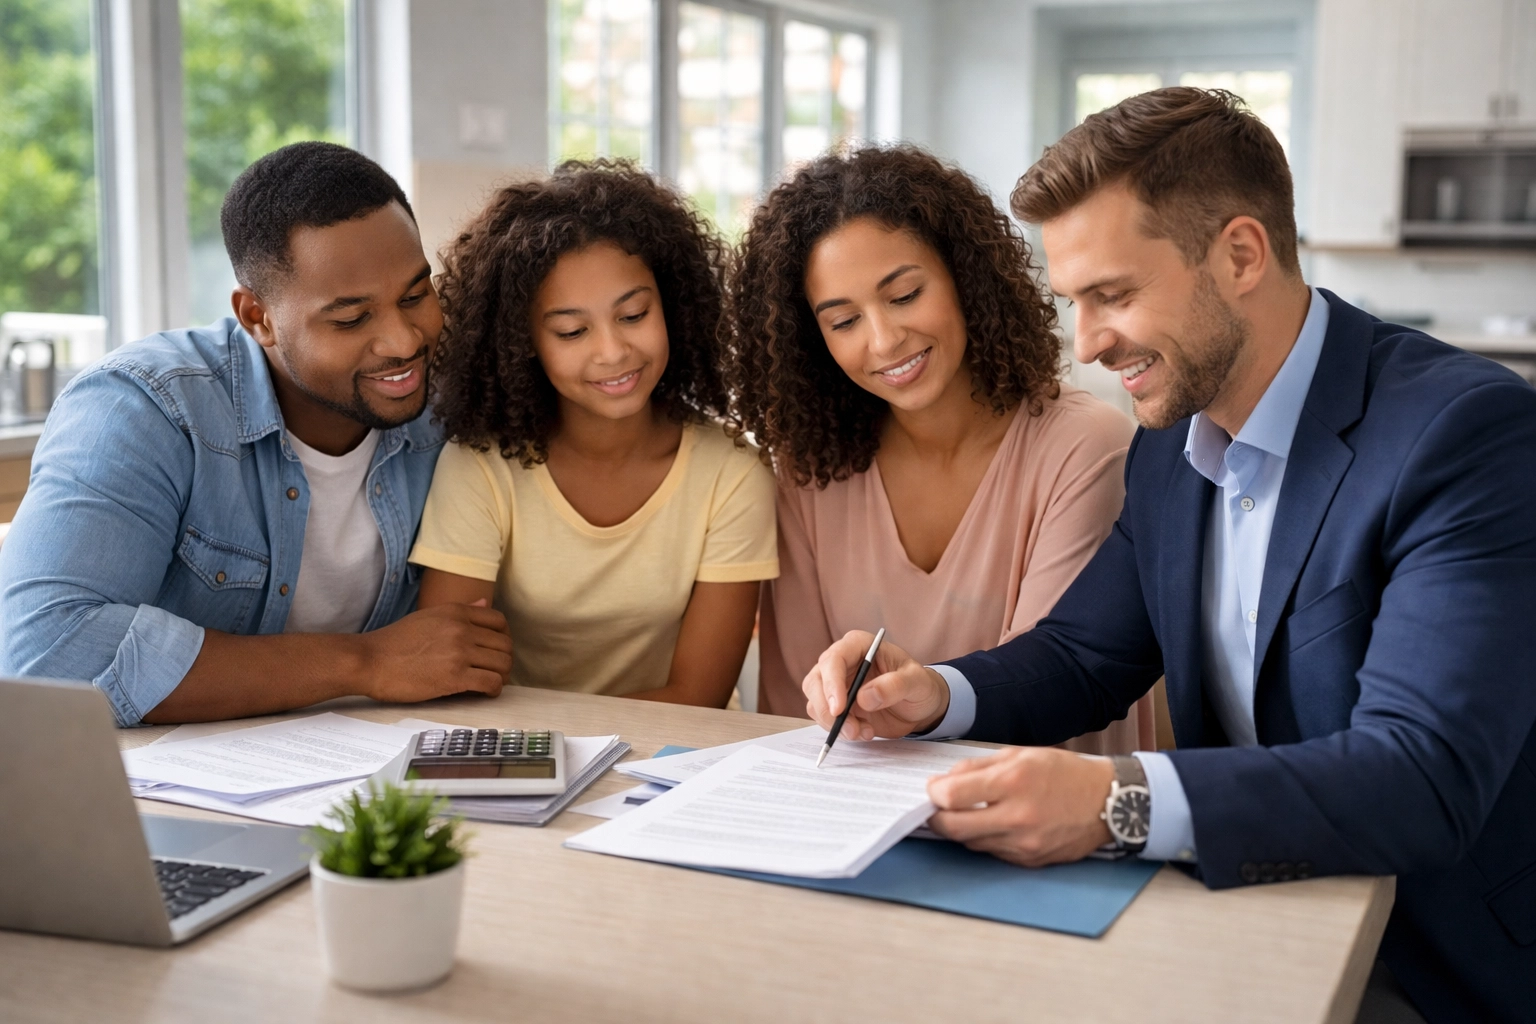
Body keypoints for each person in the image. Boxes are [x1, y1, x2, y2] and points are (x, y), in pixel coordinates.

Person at [800, 89, 1536, 1023]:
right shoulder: (1170, 438)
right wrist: (936, 693)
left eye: (1113, 296)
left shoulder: (1463, 434)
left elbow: (1422, 775)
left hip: (1437, 963)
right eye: (1074, 301)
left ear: (1238, 255)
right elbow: (1086, 655)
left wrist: (1117, 802)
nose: (1090, 343)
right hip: (1247, 919)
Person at [0, 142, 513, 726]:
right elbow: (46, 652)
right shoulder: (144, 408)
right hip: (161, 792)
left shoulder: (453, 402)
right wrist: (363, 663)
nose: (402, 341)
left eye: (416, 295)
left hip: (366, 768)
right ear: (258, 318)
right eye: (350, 318)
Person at [726, 145, 1151, 755]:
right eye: (843, 322)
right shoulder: (809, 470)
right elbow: (796, 713)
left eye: (903, 296)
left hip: (1042, 813)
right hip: (858, 814)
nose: (885, 339)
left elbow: (1051, 696)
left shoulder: (1085, 448)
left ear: (964, 277)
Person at [409, 161, 777, 706]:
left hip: (675, 761)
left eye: (633, 315)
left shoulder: (732, 473)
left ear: (671, 307)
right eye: (572, 330)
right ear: (523, 340)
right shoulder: (481, 465)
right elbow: (451, 672)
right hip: (524, 755)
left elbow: (699, 695)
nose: (613, 351)